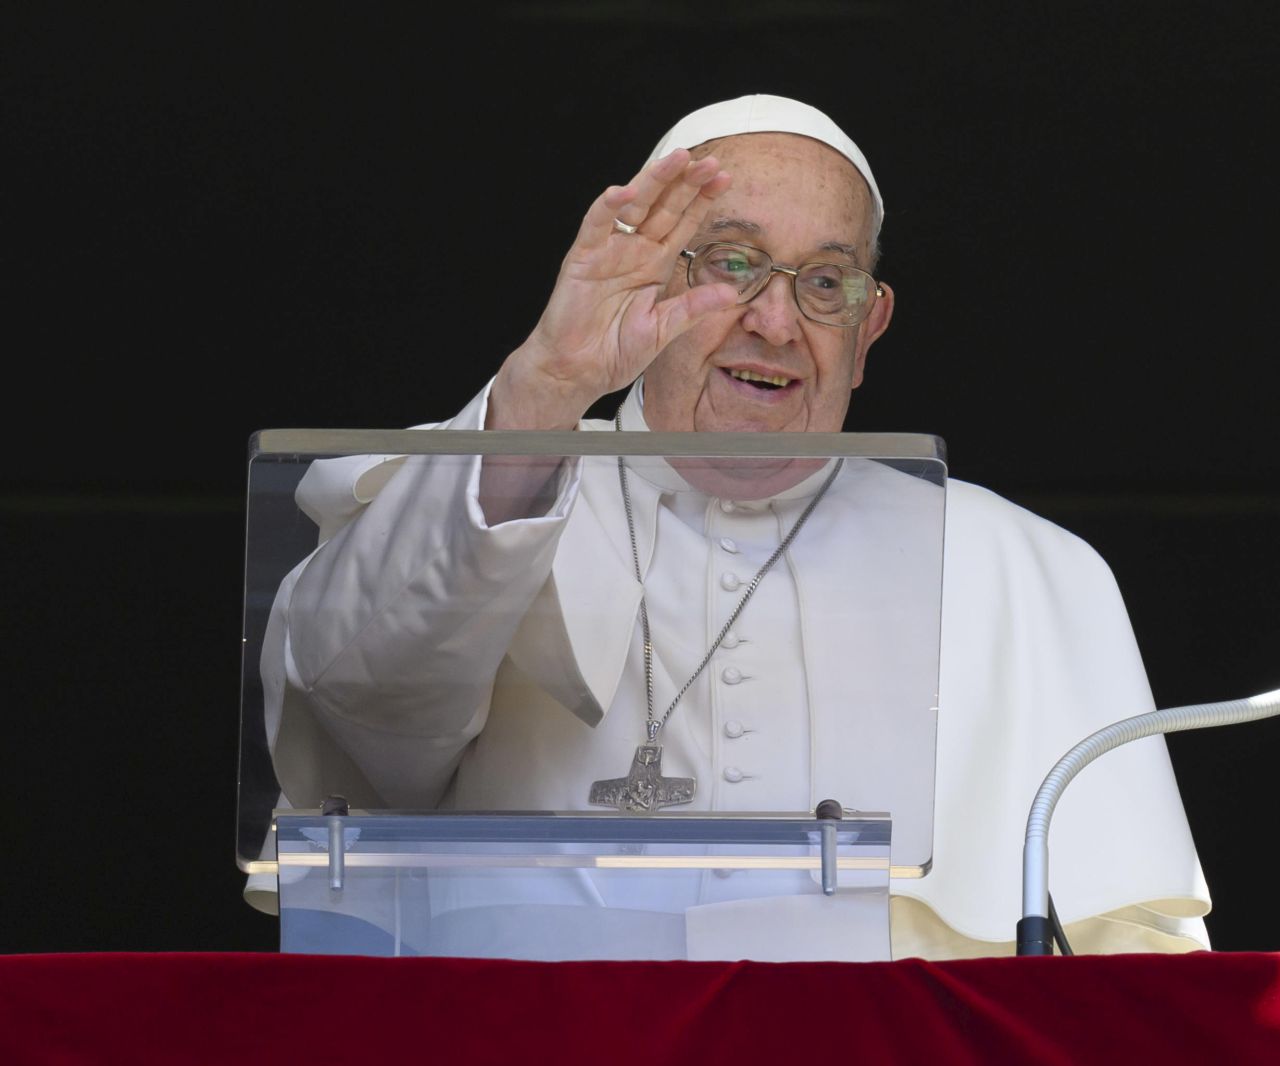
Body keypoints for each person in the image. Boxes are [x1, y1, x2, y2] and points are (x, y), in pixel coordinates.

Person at [253, 95, 1211, 959]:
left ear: (870, 331)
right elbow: (358, 713)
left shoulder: (1020, 567)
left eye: (825, 283)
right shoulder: (486, 475)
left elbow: (1124, 968)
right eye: (734, 266)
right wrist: (545, 386)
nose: (776, 323)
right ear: (647, 285)